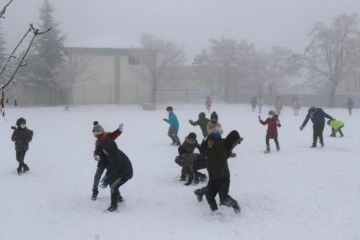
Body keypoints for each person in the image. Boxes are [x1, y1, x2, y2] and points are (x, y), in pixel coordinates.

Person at [194, 131, 243, 208]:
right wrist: (208, 138)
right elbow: (217, 152)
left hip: (221, 174)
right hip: (214, 172)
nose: (236, 144)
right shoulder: (222, 144)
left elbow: (221, 156)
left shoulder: (225, 146)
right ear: (232, 139)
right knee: (211, 191)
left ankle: (200, 192)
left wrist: (229, 155)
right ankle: (200, 192)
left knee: (217, 193)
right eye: (236, 142)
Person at [91, 121, 123, 201]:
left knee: (111, 178)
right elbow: (96, 151)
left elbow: (114, 134)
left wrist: (119, 130)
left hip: (110, 161)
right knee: (97, 177)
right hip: (101, 162)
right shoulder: (98, 141)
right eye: (96, 136)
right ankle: (95, 192)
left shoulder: (108, 136)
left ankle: (118, 195)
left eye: (99, 136)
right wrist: (96, 156)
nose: (98, 137)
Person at [99, 140, 133, 212]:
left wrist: (107, 180)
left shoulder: (116, 157)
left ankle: (113, 206)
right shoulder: (112, 154)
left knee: (113, 186)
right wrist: (106, 176)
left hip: (125, 174)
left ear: (109, 148)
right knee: (112, 183)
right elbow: (111, 168)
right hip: (120, 172)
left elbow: (113, 171)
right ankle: (119, 198)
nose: (104, 151)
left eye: (105, 149)